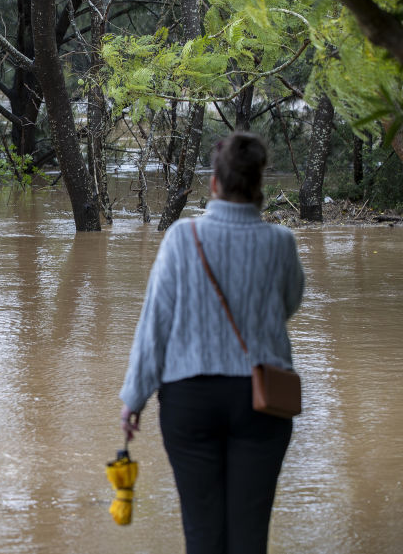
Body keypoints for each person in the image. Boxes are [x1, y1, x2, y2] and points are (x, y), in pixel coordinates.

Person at [118, 132, 305, 554]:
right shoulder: (281, 242)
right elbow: (288, 304)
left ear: (214, 184)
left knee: (203, 535)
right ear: (259, 185)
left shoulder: (182, 239)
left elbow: (155, 325)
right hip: (263, 399)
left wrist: (134, 399)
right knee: (249, 536)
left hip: (190, 400)